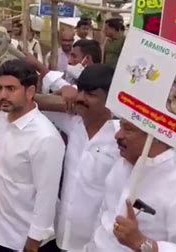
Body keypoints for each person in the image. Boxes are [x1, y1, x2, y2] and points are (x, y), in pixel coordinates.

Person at [84, 119, 176, 251]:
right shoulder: (121, 165)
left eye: (128, 129)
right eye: (120, 126)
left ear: (156, 137)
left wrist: (142, 243)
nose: (118, 135)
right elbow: (103, 220)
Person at [40, 64, 120, 252]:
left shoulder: (120, 139)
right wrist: (62, 88)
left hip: (96, 243)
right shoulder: (72, 122)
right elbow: (33, 105)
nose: (81, 98)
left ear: (110, 99)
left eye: (91, 94)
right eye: (81, 90)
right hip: (61, 236)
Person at [0, 59, 65, 252]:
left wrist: (33, 243)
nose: (3, 95)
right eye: (0, 88)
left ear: (30, 92)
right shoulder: (2, 119)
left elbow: (46, 196)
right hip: (1, 232)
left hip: (28, 241)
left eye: (11, 89)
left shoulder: (45, 137)